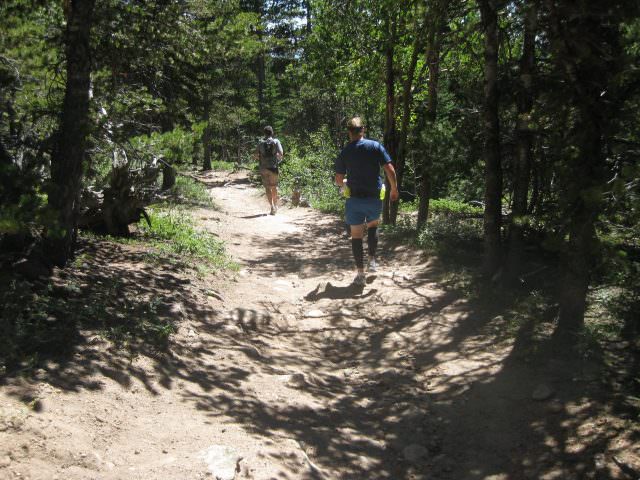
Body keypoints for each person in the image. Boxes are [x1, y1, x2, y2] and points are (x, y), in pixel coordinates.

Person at [335, 117, 398, 286]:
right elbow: (390, 169)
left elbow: (339, 179)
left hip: (354, 199)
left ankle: (361, 275)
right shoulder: (375, 146)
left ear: (349, 132)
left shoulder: (345, 152)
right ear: (363, 129)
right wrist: (394, 188)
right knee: (373, 226)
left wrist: (344, 183)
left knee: (356, 236)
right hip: (374, 196)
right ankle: (372, 260)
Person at [255, 126, 284, 215]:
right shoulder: (276, 141)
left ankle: (271, 207)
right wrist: (278, 160)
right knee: (274, 187)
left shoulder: (260, 142)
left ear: (264, 133)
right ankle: (275, 206)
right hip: (273, 167)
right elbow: (281, 153)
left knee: (267, 187)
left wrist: (260, 160)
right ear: (272, 133)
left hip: (264, 168)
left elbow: (256, 155)